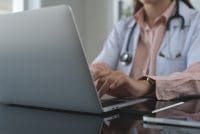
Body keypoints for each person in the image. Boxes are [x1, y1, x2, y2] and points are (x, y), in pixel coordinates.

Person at [90, 0, 200, 100]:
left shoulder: (196, 23)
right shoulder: (123, 28)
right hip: (125, 119)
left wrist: (149, 85)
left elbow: (197, 76)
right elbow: (100, 67)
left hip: (172, 118)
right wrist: (90, 74)